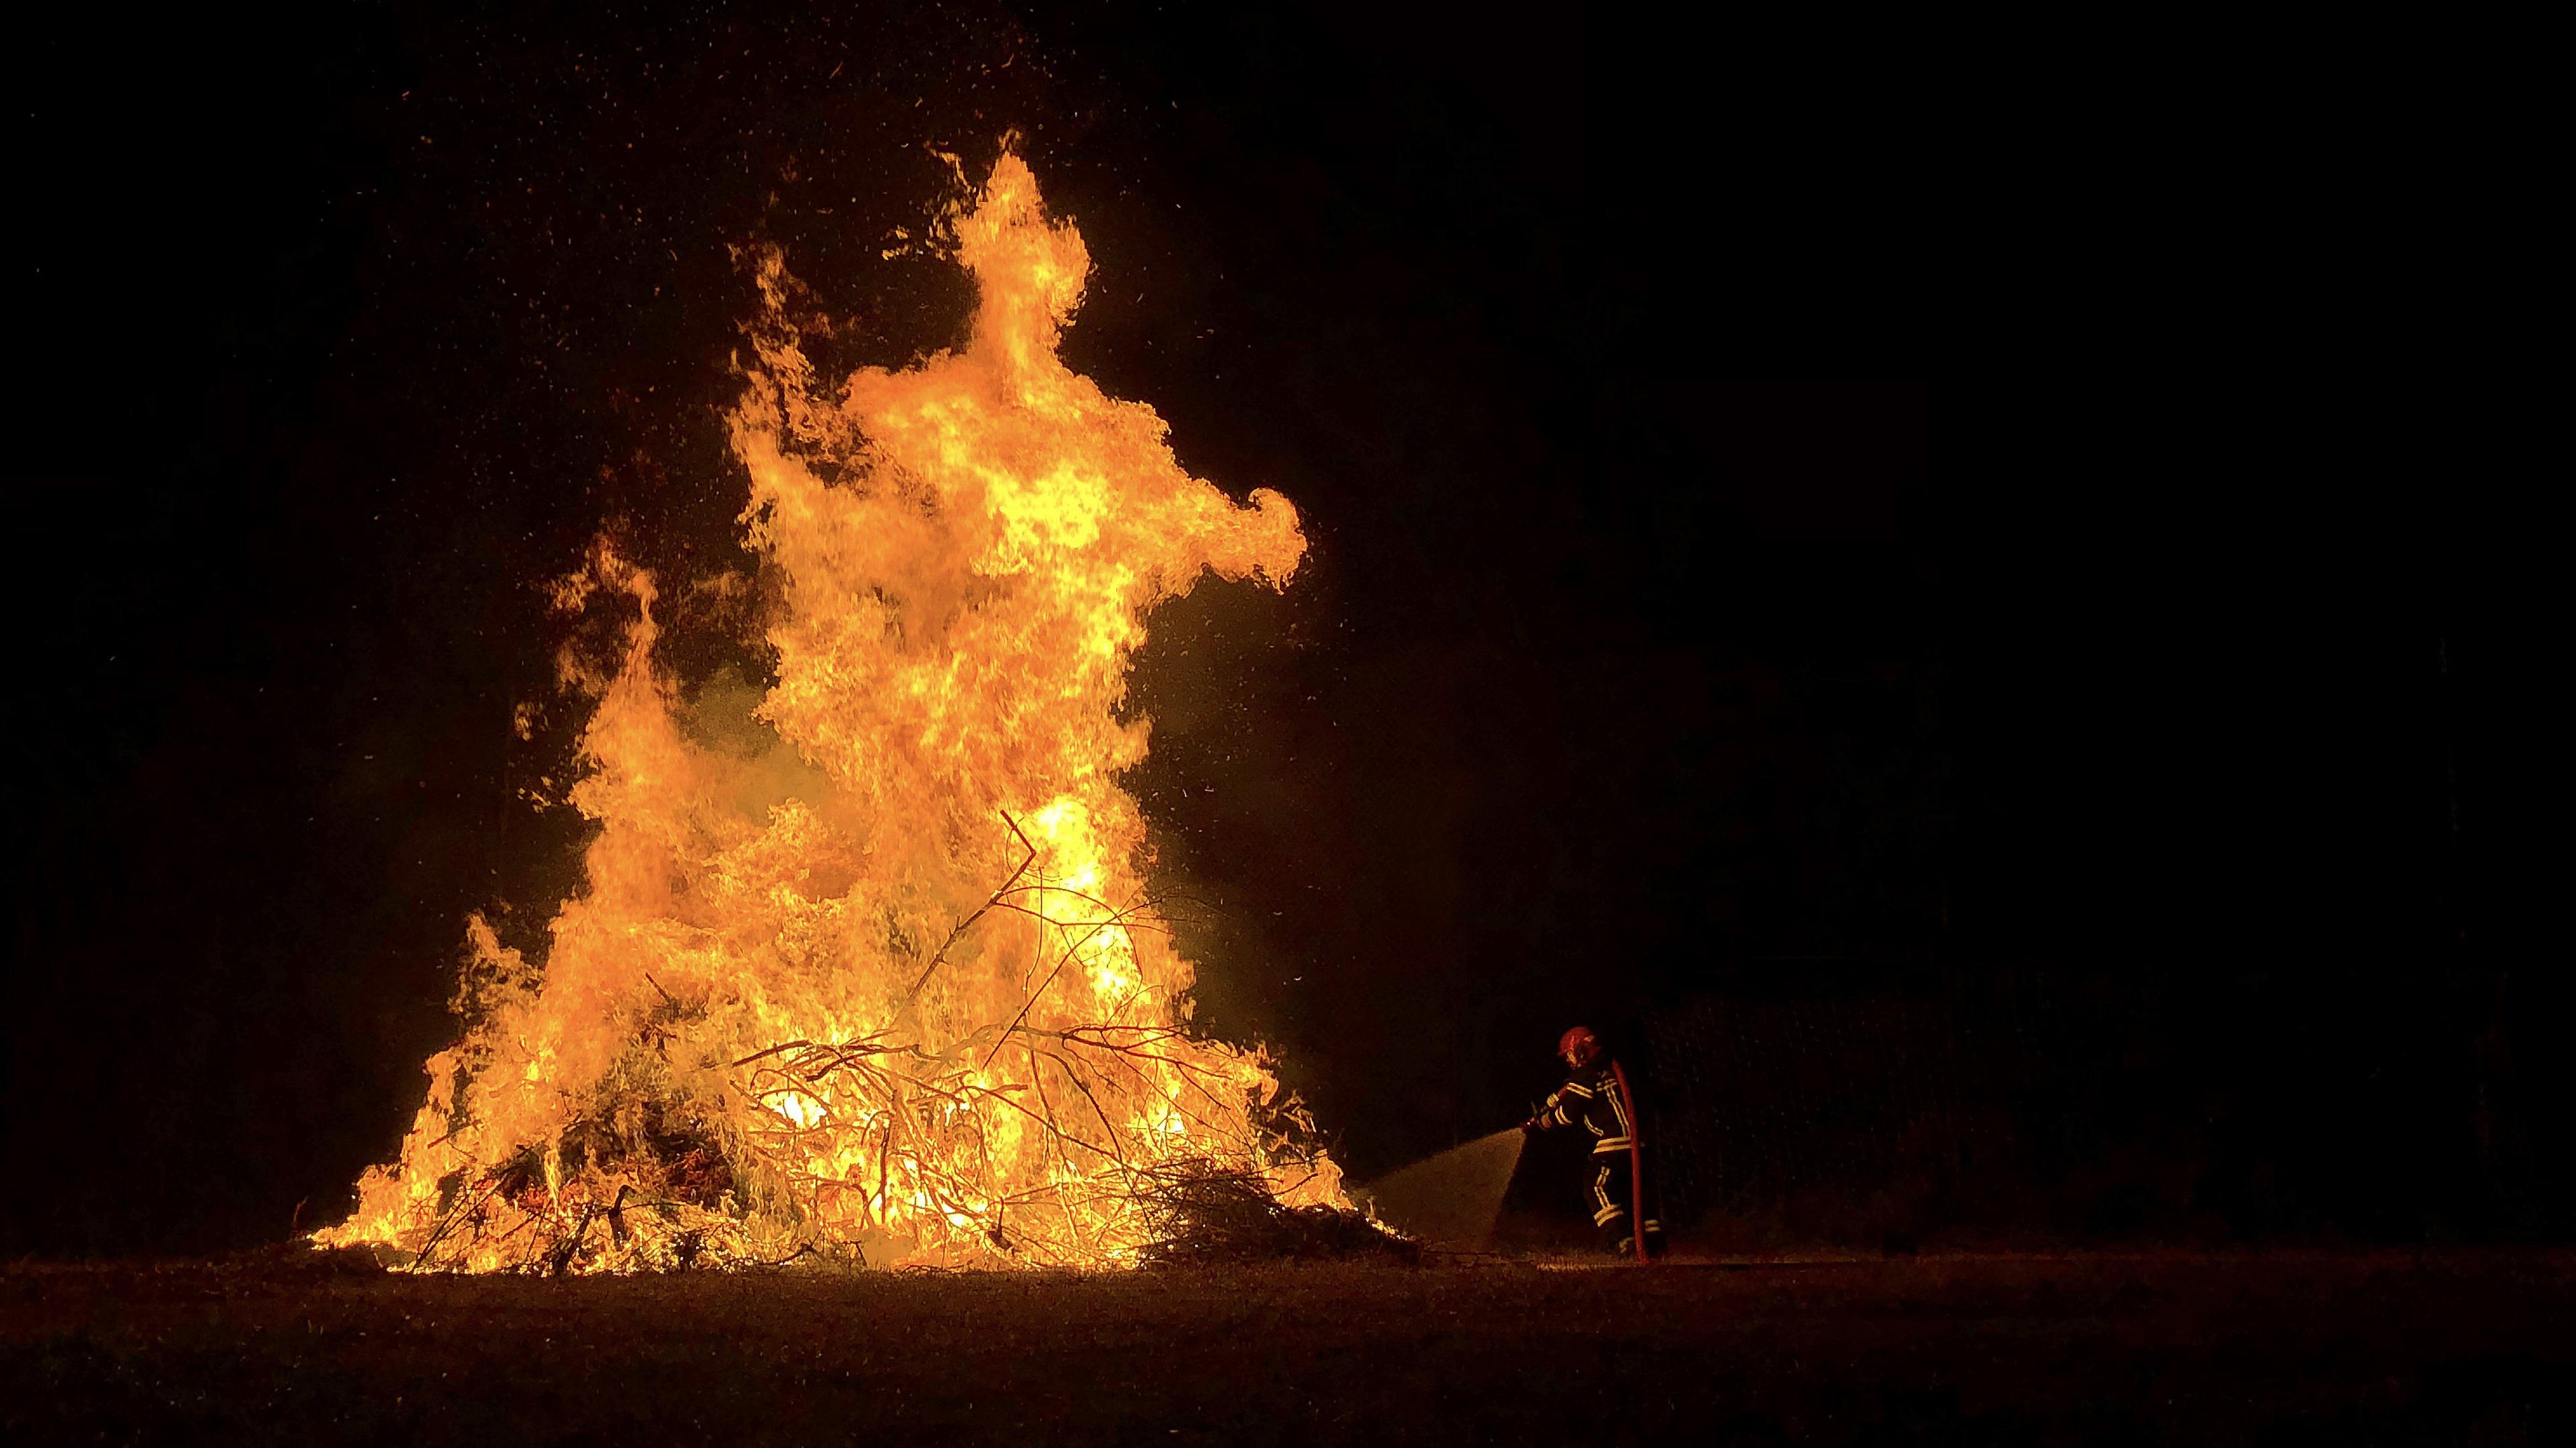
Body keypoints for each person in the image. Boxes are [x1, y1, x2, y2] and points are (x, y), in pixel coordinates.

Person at [1524, 1026, 1665, 1258]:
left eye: (1568, 1055)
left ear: (1579, 1051)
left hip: (1614, 1143)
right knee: (1638, 1193)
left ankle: (1622, 1240)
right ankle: (1654, 1244)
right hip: (1638, 1144)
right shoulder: (1608, 1070)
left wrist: (1548, 1120)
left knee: (1595, 1186)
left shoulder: (1585, 1075)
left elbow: (1569, 1113)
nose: (1568, 1061)